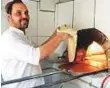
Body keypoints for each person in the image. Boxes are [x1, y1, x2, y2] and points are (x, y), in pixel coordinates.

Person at [0, 0, 70, 88]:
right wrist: (59, 37)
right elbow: (36, 55)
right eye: (19, 13)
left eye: (26, 13)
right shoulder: (9, 38)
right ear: (9, 17)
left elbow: (38, 50)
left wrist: (55, 34)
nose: (24, 16)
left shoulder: (23, 36)